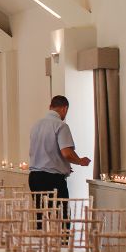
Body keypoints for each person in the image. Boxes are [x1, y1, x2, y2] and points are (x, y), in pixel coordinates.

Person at [27, 95, 90, 227]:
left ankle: (42, 240)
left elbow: (45, 152)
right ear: (65, 108)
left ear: (50, 107)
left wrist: (62, 165)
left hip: (34, 178)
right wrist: (80, 161)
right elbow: (66, 153)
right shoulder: (61, 126)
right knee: (63, 218)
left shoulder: (36, 125)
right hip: (52, 180)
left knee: (42, 217)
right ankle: (63, 241)